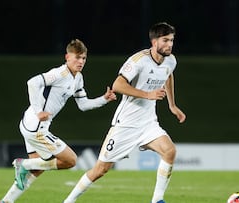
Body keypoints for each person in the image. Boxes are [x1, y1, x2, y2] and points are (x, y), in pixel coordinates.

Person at [63, 22, 186, 203]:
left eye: (172, 40)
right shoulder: (138, 61)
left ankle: (157, 200)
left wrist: (172, 105)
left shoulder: (170, 60)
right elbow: (118, 85)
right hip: (126, 124)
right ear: (154, 42)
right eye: (165, 40)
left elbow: (168, 74)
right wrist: (148, 94)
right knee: (100, 169)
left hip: (148, 123)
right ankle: (68, 201)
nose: (170, 44)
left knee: (170, 151)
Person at [0, 39, 117, 203]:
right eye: (77, 57)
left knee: (37, 168)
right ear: (67, 57)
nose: (81, 61)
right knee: (70, 160)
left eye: (83, 58)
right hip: (36, 127)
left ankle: (6, 201)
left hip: (30, 124)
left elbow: (83, 105)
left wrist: (104, 99)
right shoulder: (59, 74)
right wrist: (38, 110)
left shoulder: (78, 78)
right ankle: (23, 164)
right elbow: (32, 82)